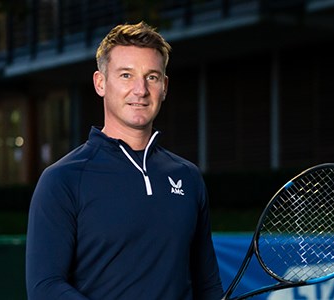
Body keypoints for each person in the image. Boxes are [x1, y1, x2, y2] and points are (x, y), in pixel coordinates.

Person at [25, 22, 224, 299]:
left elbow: (208, 286)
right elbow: (44, 287)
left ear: (164, 87)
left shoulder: (188, 177)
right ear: (101, 83)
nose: (140, 90)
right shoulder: (62, 179)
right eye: (126, 75)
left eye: (151, 77)